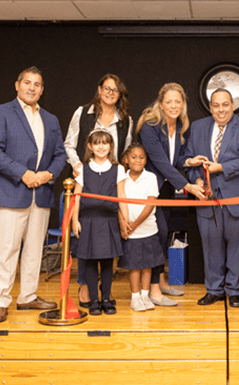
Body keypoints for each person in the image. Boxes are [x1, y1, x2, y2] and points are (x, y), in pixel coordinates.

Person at [0, 66, 67, 323]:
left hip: (41, 193)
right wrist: (23, 173)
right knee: (7, 249)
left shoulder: (51, 119)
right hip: (11, 191)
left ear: (42, 89)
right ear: (17, 85)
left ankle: (28, 296)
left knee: (34, 249)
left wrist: (48, 174)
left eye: (37, 84)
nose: (32, 87)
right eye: (27, 82)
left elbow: (60, 154)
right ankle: (1, 301)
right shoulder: (0, 113)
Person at [184, 88, 239, 308]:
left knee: (237, 248)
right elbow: (188, 159)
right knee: (211, 246)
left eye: (225, 104)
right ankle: (214, 290)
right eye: (216, 105)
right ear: (210, 107)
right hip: (207, 200)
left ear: (232, 105)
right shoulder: (197, 127)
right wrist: (196, 179)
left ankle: (234, 291)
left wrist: (221, 167)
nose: (221, 109)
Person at [64, 74, 133, 308]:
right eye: (107, 88)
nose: (110, 92)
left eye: (115, 90)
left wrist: (123, 215)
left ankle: (104, 296)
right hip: (86, 180)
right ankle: (87, 289)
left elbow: (125, 152)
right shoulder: (82, 113)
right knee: (87, 246)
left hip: (110, 188)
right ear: (99, 89)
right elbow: (69, 144)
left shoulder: (126, 120)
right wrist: (77, 165)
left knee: (105, 254)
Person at [136, 83, 206, 307]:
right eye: (169, 102)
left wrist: (188, 162)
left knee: (162, 235)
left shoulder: (180, 126)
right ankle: (153, 291)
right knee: (155, 237)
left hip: (164, 188)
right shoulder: (150, 126)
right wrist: (187, 186)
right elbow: (160, 162)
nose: (174, 106)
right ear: (161, 104)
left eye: (178, 101)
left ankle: (161, 282)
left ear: (183, 104)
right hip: (147, 188)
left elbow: (175, 160)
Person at [71, 130, 123, 316]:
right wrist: (75, 220)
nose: (101, 147)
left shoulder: (118, 169)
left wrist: (123, 222)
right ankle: (94, 300)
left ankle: (106, 299)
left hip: (108, 221)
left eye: (105, 143)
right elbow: (76, 197)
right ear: (90, 146)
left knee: (108, 262)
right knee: (91, 262)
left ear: (110, 146)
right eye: (97, 143)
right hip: (88, 221)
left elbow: (122, 198)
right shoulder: (83, 169)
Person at [118, 143, 166, 312]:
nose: (137, 160)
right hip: (131, 233)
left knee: (147, 265)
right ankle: (135, 297)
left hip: (148, 230)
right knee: (134, 266)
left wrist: (136, 223)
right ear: (126, 160)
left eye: (141, 157)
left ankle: (145, 296)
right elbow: (119, 203)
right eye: (133, 157)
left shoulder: (151, 177)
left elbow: (150, 203)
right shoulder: (121, 179)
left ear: (146, 160)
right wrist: (124, 224)